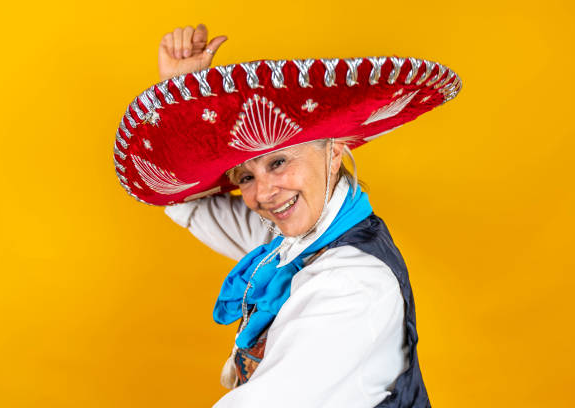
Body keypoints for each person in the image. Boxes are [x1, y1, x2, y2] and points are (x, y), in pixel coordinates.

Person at [113, 23, 461, 407]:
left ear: (333, 153)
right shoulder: (294, 240)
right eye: (246, 176)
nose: (263, 193)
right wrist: (181, 98)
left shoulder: (353, 282)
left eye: (279, 162)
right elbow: (182, 202)